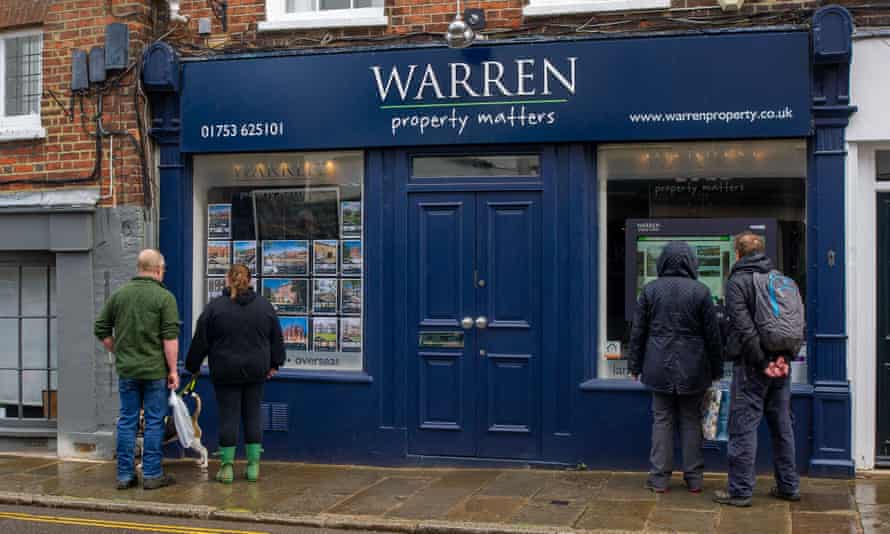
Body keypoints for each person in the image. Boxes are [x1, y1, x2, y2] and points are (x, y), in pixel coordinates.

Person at [628, 241, 723, 494]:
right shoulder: (701, 291)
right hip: (694, 366)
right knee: (691, 421)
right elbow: (713, 336)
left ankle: (659, 479)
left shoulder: (649, 290)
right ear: (692, 262)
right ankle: (694, 479)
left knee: (662, 420)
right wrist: (717, 369)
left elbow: (638, 333)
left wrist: (634, 365)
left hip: (657, 364)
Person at [713, 232, 800, 507]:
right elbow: (793, 323)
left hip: (753, 366)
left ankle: (740, 491)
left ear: (737, 254)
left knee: (743, 428)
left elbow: (743, 327)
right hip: (781, 364)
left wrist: (762, 362)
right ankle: (788, 486)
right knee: (782, 426)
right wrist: (783, 357)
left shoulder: (738, 281)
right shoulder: (780, 279)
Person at [185, 264, 285, 484]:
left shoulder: (215, 308)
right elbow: (276, 338)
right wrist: (274, 364)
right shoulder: (264, 306)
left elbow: (200, 341)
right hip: (256, 370)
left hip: (225, 370)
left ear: (227, 280)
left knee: (228, 417)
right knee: (253, 416)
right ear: (250, 280)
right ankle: (253, 468)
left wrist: (192, 366)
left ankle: (227, 469)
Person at [94, 249, 180, 490]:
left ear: (139, 268)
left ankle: (125, 475)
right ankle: (152, 475)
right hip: (154, 372)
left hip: (127, 371)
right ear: (158, 270)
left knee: (127, 421)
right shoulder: (165, 298)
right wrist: (173, 370)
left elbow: (101, 328)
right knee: (154, 422)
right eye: (163, 270)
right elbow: (170, 338)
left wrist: (117, 350)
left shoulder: (120, 295)